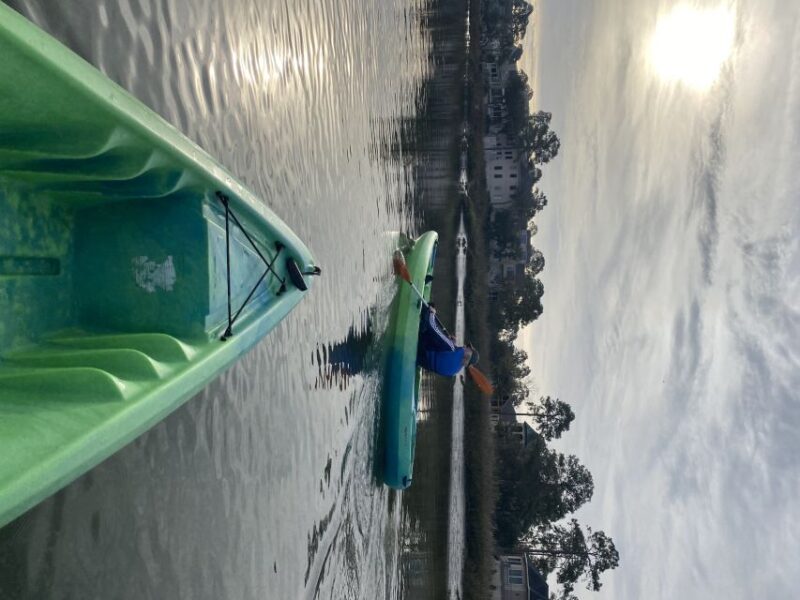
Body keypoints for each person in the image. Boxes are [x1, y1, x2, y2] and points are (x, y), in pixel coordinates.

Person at [416, 302, 479, 376]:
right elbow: (447, 355)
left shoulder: (450, 348)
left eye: (468, 347)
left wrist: (432, 313)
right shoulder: (454, 371)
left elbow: (433, 328)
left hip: (421, 348)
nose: (465, 345)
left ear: (468, 353)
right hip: (421, 360)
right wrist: (451, 342)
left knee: (431, 306)